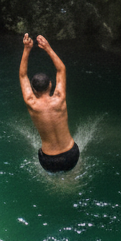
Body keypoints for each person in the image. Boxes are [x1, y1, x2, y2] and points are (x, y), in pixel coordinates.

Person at [20, 34, 77, 171]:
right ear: (50, 85)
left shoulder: (31, 102)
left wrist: (27, 49)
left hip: (49, 160)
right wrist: (48, 48)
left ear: (33, 90)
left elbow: (23, 75)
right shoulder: (59, 97)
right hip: (71, 154)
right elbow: (61, 69)